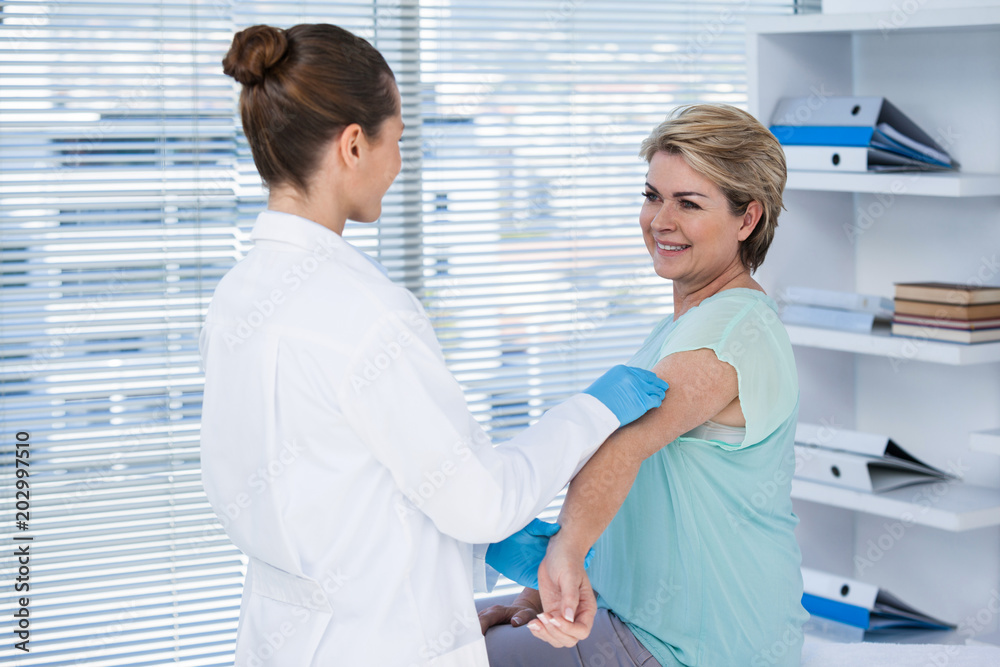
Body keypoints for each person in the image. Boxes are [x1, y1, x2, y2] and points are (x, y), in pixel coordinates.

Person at [198, 23, 668, 667]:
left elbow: (330, 490)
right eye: (397, 140)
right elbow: (480, 499)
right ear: (354, 145)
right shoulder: (364, 311)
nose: (400, 163)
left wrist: (479, 550)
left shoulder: (238, 296)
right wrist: (595, 409)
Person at [478, 104, 810, 667]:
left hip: (696, 646)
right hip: (642, 622)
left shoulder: (732, 330)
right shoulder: (683, 326)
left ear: (747, 220)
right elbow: (632, 488)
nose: (661, 220)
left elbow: (622, 448)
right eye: (653, 195)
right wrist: (541, 591)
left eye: (689, 203)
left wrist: (564, 558)